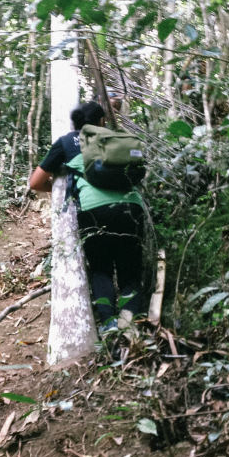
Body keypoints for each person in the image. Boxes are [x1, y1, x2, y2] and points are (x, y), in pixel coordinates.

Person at [29, 101, 147, 333]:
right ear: (102, 121)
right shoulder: (116, 140)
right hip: (131, 208)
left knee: (101, 268)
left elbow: (35, 183)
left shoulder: (66, 142)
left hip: (94, 211)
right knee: (130, 271)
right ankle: (131, 326)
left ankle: (109, 326)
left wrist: (61, 188)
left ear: (75, 123)